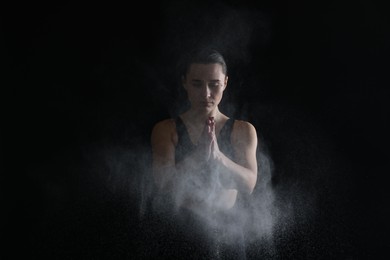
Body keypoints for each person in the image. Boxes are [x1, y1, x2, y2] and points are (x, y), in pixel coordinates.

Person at [148, 48, 258, 259]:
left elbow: (249, 184)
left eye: (214, 84)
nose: (206, 93)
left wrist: (218, 157)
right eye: (197, 84)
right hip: (180, 233)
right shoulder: (167, 129)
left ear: (225, 82)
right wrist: (197, 157)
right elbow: (164, 185)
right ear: (185, 83)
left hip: (228, 232)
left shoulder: (243, 130)